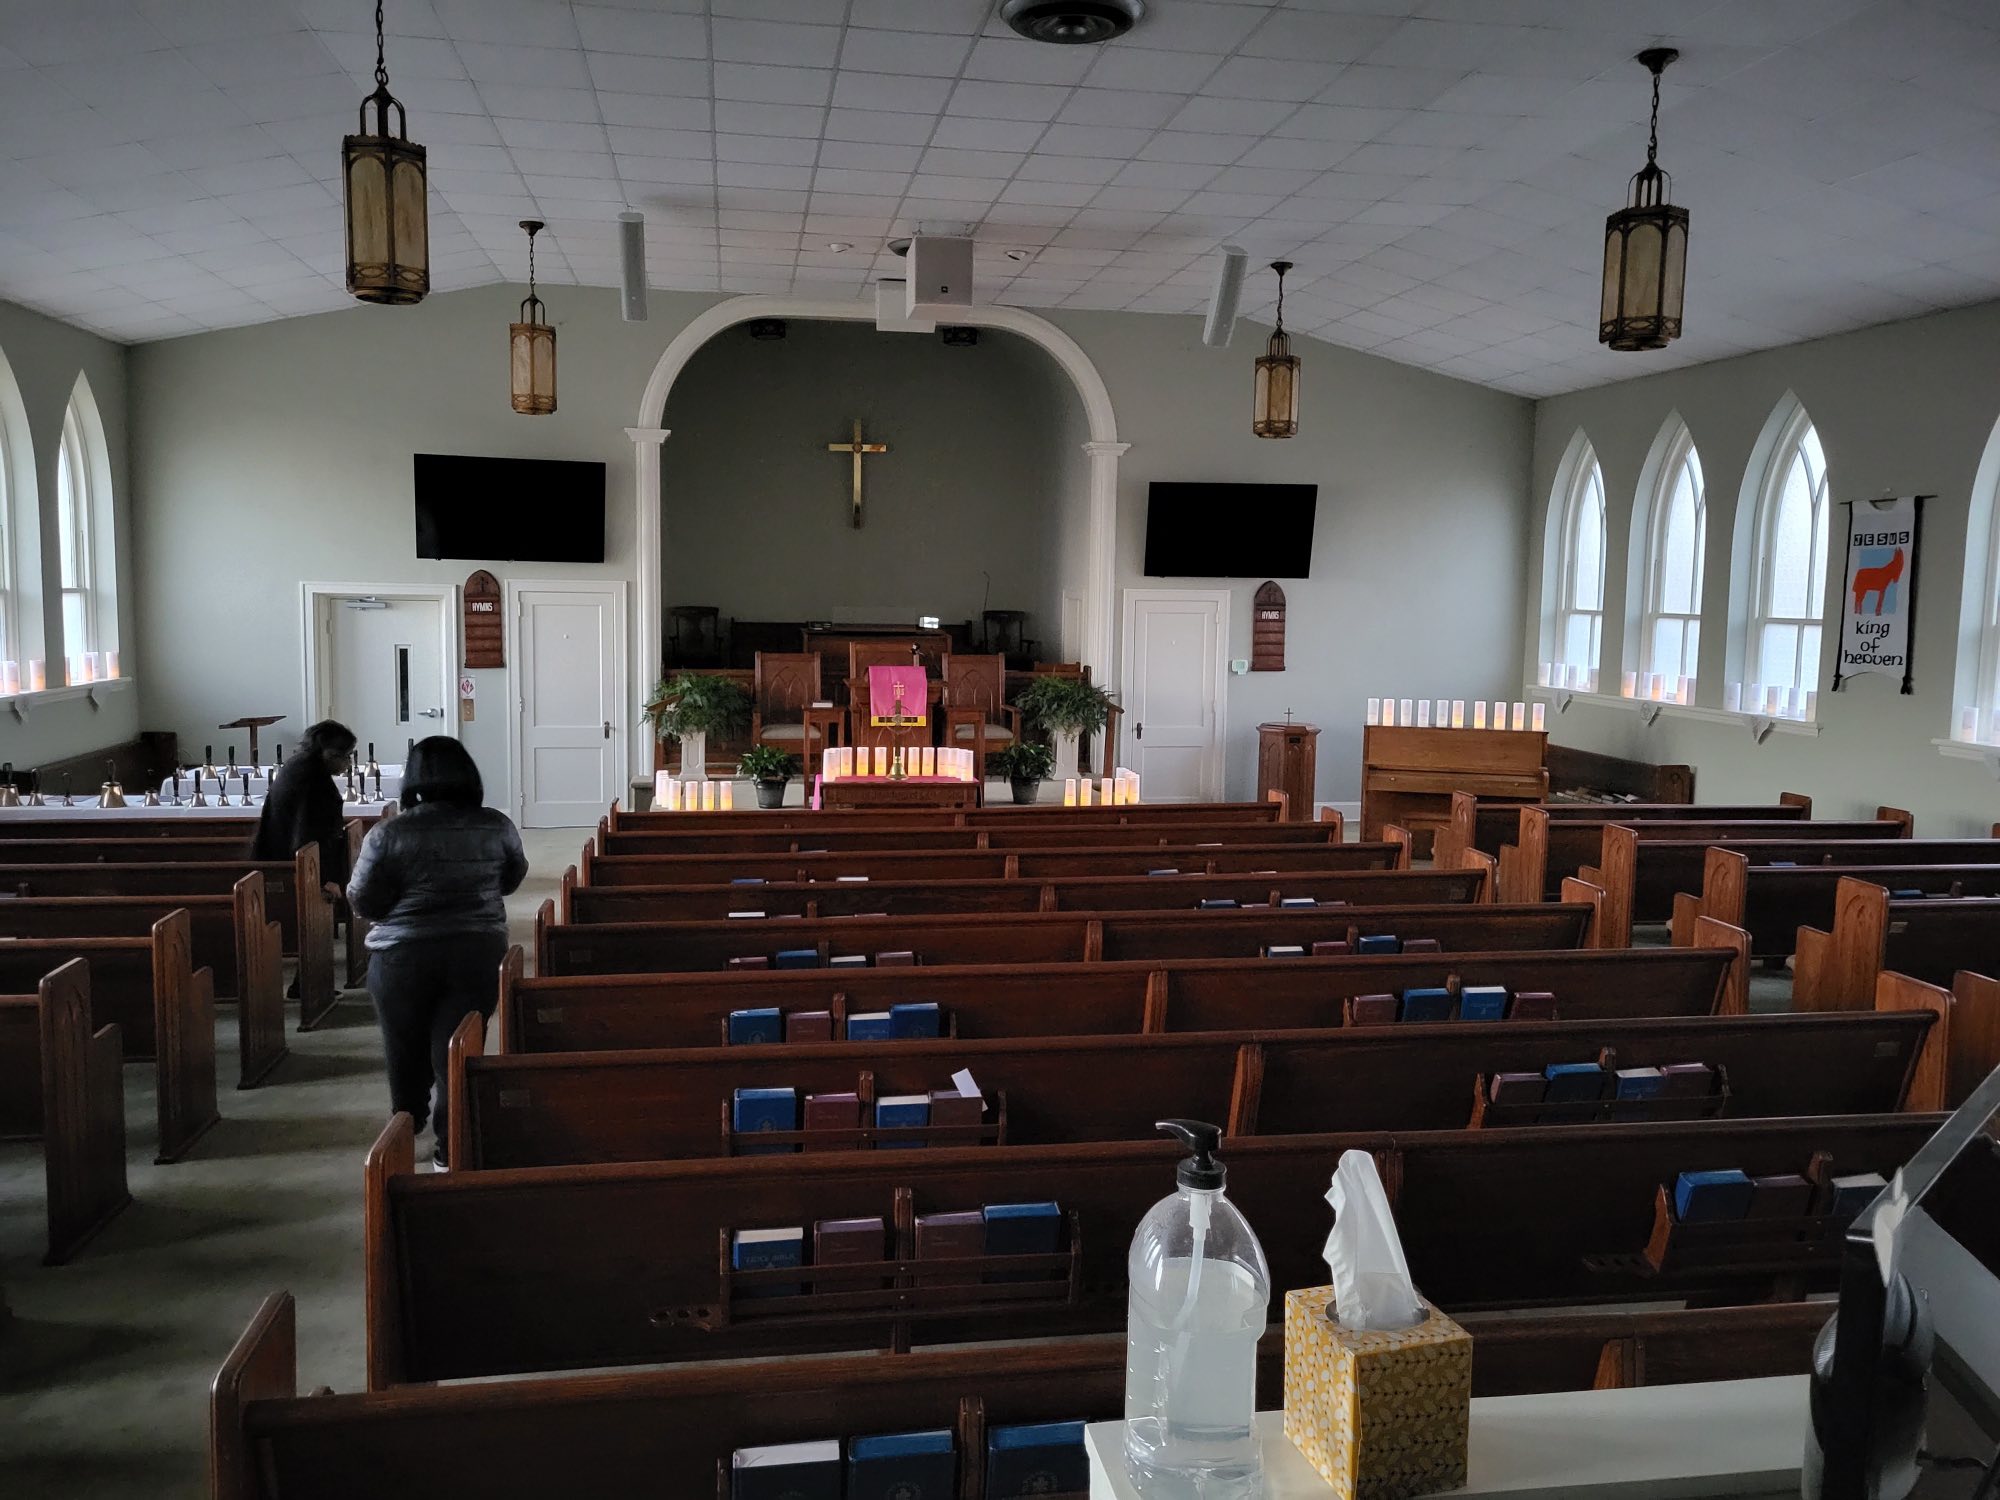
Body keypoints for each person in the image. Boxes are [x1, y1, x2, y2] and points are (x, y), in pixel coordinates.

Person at [346, 737, 527, 1169]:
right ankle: (451, 1149)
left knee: (403, 1048)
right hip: (476, 950)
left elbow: (362, 901)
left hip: (401, 956)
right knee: (458, 1049)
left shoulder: (388, 833)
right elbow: (511, 878)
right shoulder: (495, 825)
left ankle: (405, 1131)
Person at [253, 719, 357, 892]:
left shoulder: (299, 765)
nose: (349, 763)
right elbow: (310, 833)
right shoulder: (314, 779)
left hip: (279, 859)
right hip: (296, 870)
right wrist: (324, 880)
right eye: (347, 755)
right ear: (330, 753)